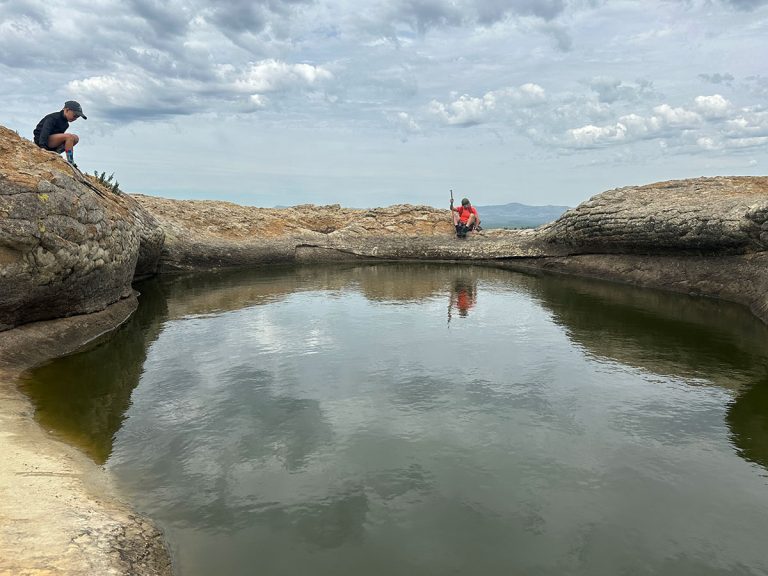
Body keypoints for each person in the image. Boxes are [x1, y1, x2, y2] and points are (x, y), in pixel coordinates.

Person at [33, 100, 87, 166]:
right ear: (67, 110)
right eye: (75, 115)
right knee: (69, 136)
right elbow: (44, 132)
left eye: (77, 117)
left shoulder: (66, 124)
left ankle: (56, 153)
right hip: (41, 141)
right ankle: (70, 161)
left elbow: (59, 137)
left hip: (51, 143)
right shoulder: (53, 118)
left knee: (75, 138)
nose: (75, 118)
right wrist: (42, 148)